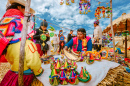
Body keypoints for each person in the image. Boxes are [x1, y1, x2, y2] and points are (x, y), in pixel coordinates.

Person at [0, 0, 43, 86]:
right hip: (25, 76)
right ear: (19, 7)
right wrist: (39, 71)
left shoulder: (8, 45)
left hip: (12, 73)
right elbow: (34, 62)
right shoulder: (28, 44)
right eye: (24, 10)